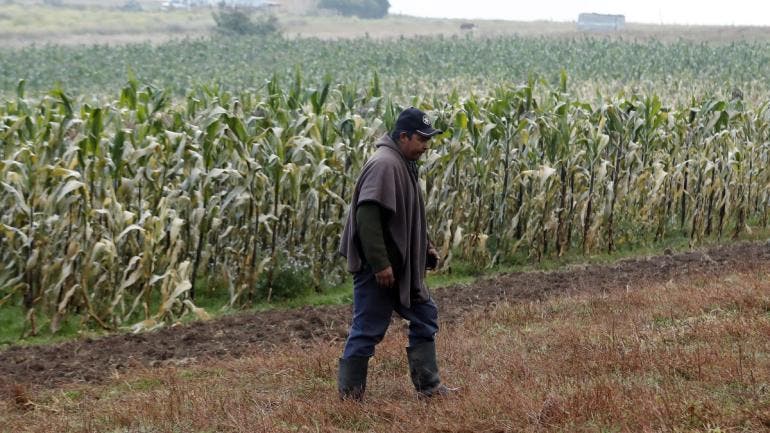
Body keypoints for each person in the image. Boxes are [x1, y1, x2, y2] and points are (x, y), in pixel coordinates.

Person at [337, 107, 456, 401]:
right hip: (381, 271)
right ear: (404, 136)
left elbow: (407, 215)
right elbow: (367, 217)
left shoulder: (402, 162)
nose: (426, 146)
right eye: (422, 139)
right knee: (367, 330)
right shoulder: (384, 164)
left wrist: (424, 246)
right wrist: (380, 264)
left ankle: (429, 389)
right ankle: (349, 399)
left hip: (401, 268)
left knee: (425, 315)